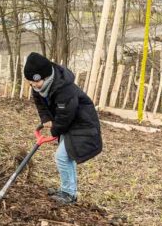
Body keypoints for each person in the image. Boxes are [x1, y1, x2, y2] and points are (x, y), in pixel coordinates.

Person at [24, 52, 103, 205]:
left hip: (82, 125)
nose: (33, 86)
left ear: (46, 77)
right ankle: (69, 191)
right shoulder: (40, 87)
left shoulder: (65, 89)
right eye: (30, 83)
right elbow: (40, 103)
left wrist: (54, 131)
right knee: (66, 157)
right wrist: (46, 118)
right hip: (69, 124)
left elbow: (65, 115)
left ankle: (68, 193)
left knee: (62, 157)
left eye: (36, 82)